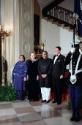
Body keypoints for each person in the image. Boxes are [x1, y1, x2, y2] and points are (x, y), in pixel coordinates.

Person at [65, 43, 82, 122]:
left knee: (77, 99)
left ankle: (78, 115)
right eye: (72, 48)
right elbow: (65, 62)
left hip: (79, 81)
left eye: (74, 48)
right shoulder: (71, 56)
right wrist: (69, 53)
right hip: (71, 81)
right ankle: (73, 114)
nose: (73, 50)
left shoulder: (81, 56)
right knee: (72, 98)